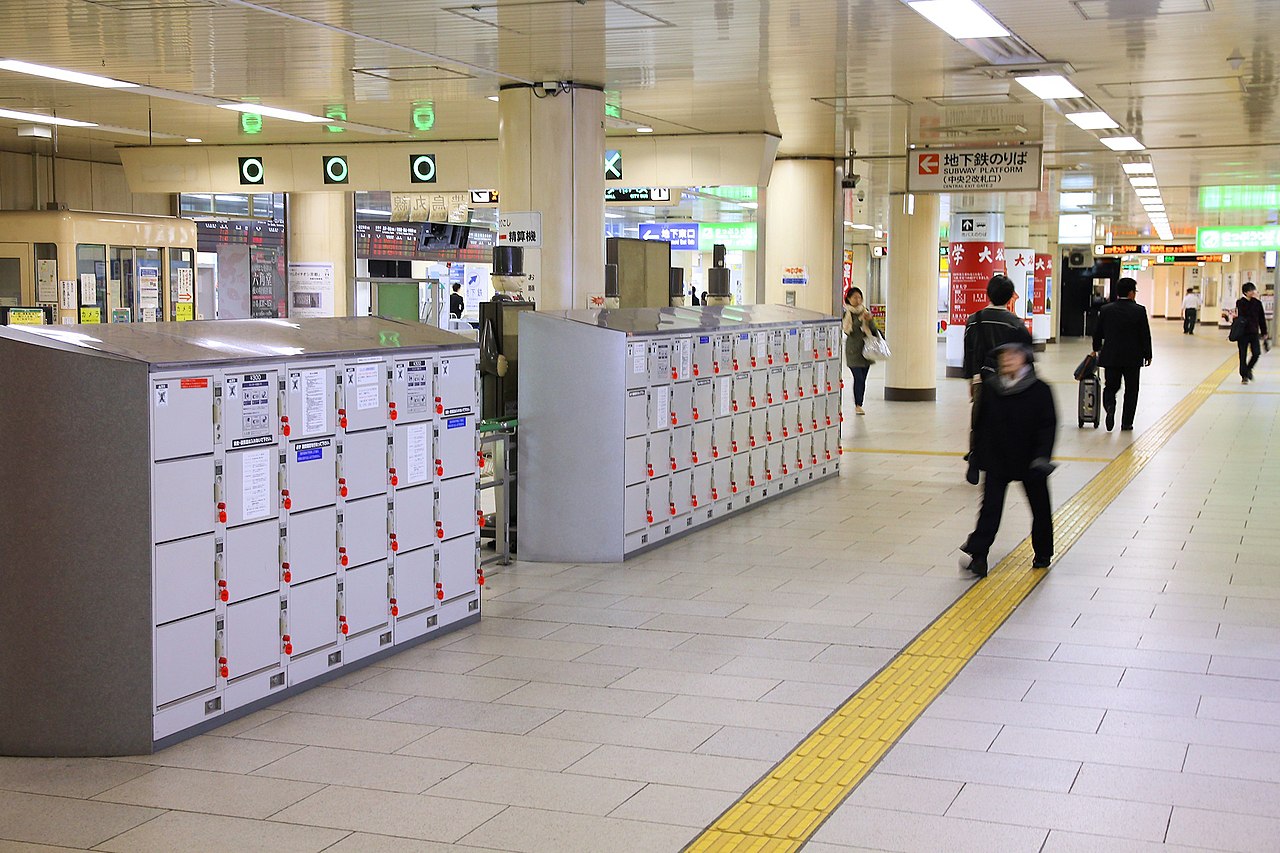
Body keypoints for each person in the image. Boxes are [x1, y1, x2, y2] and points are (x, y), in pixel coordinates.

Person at [959, 343, 1057, 578]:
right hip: (998, 459)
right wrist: (976, 456)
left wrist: (1043, 456)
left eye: (1012, 354)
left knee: (1040, 508)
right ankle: (978, 556)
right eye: (1003, 356)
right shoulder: (993, 388)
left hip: (1030, 460)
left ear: (1025, 358)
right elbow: (981, 425)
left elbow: (1048, 425)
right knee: (990, 509)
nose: (1006, 360)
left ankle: (1043, 552)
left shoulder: (1039, 389)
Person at [963, 274, 1032, 483]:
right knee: (1005, 421)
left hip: (982, 379)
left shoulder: (974, 320)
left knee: (979, 420)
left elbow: (969, 353)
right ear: (1011, 297)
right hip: (1008, 382)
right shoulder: (1016, 324)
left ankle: (975, 458)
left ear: (988, 294)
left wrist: (972, 379)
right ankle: (1001, 461)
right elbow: (1026, 357)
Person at [1091, 277, 1152, 432]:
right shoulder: (1139, 310)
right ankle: (1127, 423)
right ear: (1131, 293)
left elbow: (1097, 332)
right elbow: (1145, 334)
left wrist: (1096, 347)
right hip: (1133, 358)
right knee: (1132, 390)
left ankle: (1110, 406)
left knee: (1111, 386)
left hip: (1111, 356)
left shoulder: (1106, 310)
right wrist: (1148, 354)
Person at [842, 287, 881, 416]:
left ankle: (860, 403)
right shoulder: (846, 313)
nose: (857, 300)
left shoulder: (866, 312)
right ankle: (858, 404)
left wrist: (870, 321)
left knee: (863, 379)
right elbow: (848, 330)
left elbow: (874, 330)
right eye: (854, 297)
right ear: (848, 299)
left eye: (859, 297)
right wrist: (859, 320)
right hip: (853, 350)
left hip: (867, 350)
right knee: (858, 377)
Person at [1235, 281, 1269, 383]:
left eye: (1253, 290)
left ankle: (1248, 369)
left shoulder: (1258, 303)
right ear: (1245, 292)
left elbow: (1261, 318)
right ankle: (1244, 376)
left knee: (1256, 353)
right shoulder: (1240, 303)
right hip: (1242, 333)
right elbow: (1242, 314)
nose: (1253, 292)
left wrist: (1264, 332)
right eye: (1251, 290)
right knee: (1243, 355)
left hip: (1254, 332)